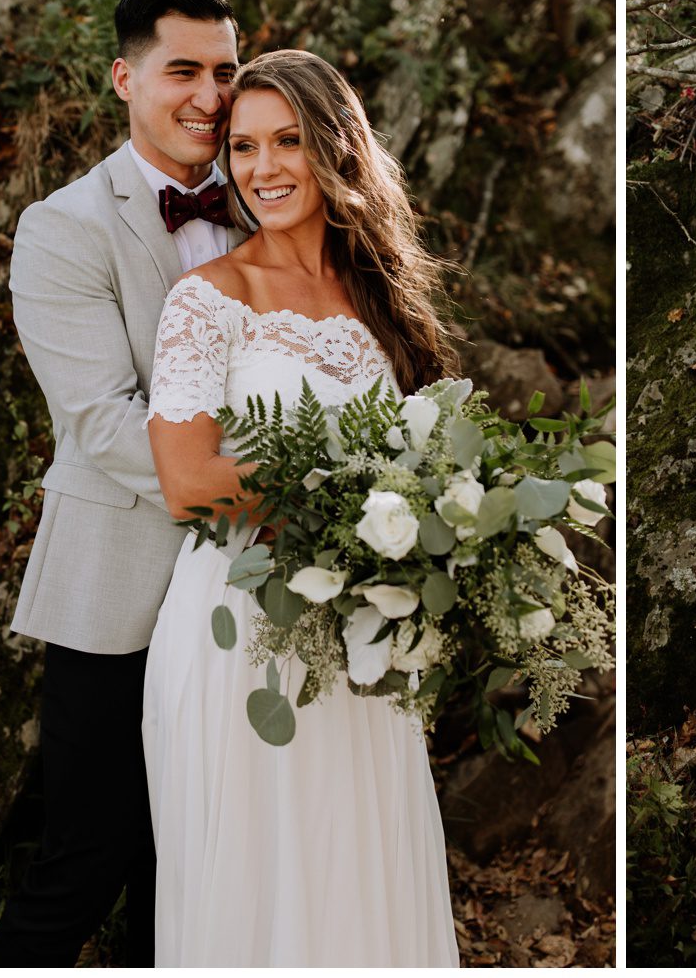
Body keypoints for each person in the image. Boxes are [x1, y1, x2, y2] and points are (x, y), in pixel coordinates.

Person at [141, 48, 460, 966]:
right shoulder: (209, 299)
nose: (263, 167)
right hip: (242, 625)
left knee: (359, 872)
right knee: (260, 884)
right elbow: (187, 481)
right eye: (242, 147)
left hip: (358, 628)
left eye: (287, 141)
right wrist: (341, 495)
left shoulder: (380, 297)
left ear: (336, 146)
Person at [0, 0, 241, 965]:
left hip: (244, 600)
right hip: (117, 592)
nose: (210, 96)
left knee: (193, 870)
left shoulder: (266, 199)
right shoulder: (64, 226)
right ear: (123, 78)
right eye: (183, 70)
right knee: (86, 859)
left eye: (225, 71)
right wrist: (259, 493)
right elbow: (101, 421)